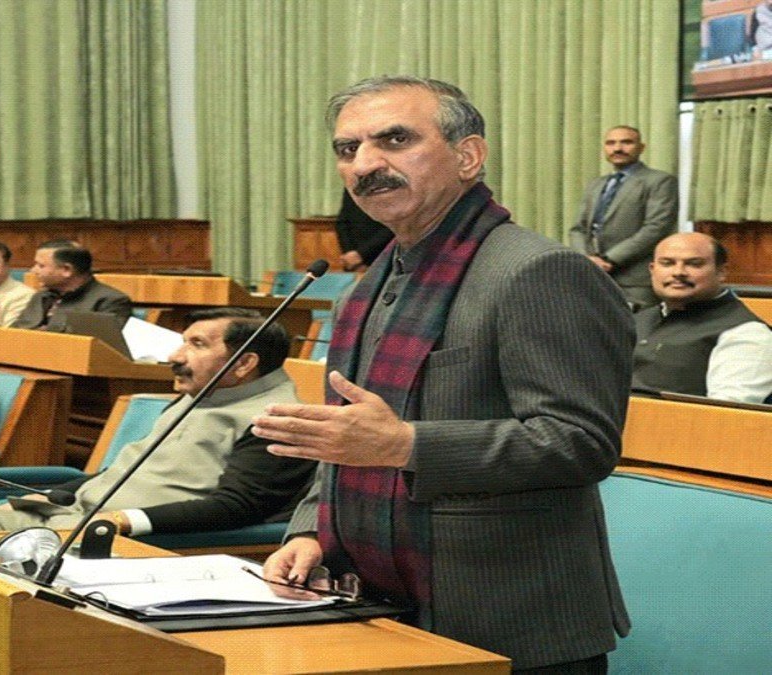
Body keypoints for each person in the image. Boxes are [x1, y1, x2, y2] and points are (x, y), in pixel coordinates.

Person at [252, 76, 633, 671]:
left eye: (395, 140)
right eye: (348, 148)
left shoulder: (539, 271)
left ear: (468, 156)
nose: (365, 165)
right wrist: (309, 533)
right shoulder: (366, 288)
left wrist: (406, 445)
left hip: (509, 622)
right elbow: (347, 440)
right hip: (375, 603)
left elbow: (580, 443)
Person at [0, 308, 316, 535]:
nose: (175, 356)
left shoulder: (279, 419)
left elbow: (236, 508)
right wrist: (41, 497)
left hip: (114, 540)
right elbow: (124, 473)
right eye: (182, 342)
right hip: (65, 516)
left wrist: (126, 521)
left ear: (244, 363)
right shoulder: (198, 394)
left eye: (196, 345)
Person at [632, 232, 772, 403]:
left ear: (721, 272)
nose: (678, 272)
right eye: (667, 263)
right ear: (652, 270)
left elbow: (725, 413)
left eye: (694, 264)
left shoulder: (747, 333)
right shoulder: (636, 320)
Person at [568, 126, 677, 310]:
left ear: (641, 147)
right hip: (593, 276)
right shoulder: (596, 184)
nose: (617, 148)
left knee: (636, 326)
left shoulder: (660, 181)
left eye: (626, 142)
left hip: (634, 280)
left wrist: (609, 260)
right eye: (611, 143)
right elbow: (578, 228)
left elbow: (656, 227)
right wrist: (586, 259)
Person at [12, 240, 132, 330]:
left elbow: (103, 347)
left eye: (41, 266)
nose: (33, 270)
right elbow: (16, 331)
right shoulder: (42, 296)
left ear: (66, 270)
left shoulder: (110, 301)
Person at [334, 190, 394, 272]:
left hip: (384, 258)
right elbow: (342, 222)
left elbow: (393, 226)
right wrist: (350, 254)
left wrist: (361, 254)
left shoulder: (392, 187)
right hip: (353, 262)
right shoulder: (352, 186)